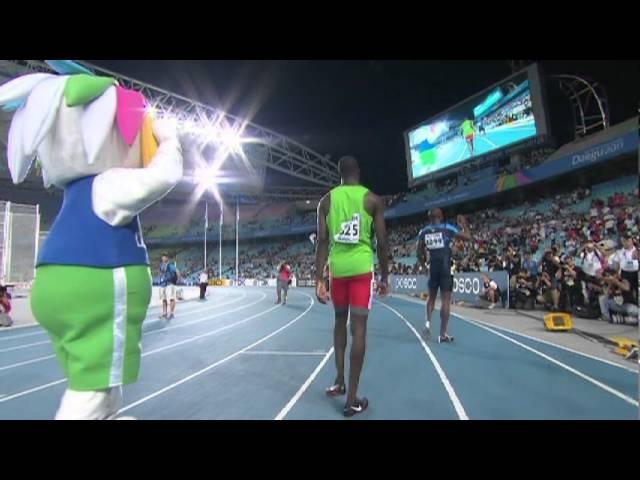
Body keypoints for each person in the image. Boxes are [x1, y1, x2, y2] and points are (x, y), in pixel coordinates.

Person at [315, 155, 389, 417]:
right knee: (359, 330)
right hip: (360, 270)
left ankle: (339, 381)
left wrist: (318, 279)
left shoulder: (326, 201)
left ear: (339, 174)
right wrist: (385, 277)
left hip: (338, 270)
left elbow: (321, 242)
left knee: (339, 323)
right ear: (358, 171)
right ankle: (352, 400)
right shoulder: (372, 200)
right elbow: (381, 242)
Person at [416, 208, 471, 342]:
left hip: (433, 267)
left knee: (431, 298)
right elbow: (468, 237)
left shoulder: (424, 232)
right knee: (445, 300)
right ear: (441, 216)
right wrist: (464, 224)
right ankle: (442, 334)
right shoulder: (447, 228)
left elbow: (418, 252)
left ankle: (428, 324)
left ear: (430, 218)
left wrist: (423, 267)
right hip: (446, 267)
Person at [159, 253, 179, 320]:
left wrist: (177, 280)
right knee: (164, 299)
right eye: (162, 257)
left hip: (170, 284)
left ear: (167, 258)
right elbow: (161, 273)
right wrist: (161, 278)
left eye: (164, 257)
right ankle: (165, 313)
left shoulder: (170, 265)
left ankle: (172, 313)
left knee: (171, 299)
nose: (163, 258)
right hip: (163, 284)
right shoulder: (161, 265)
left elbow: (177, 271)